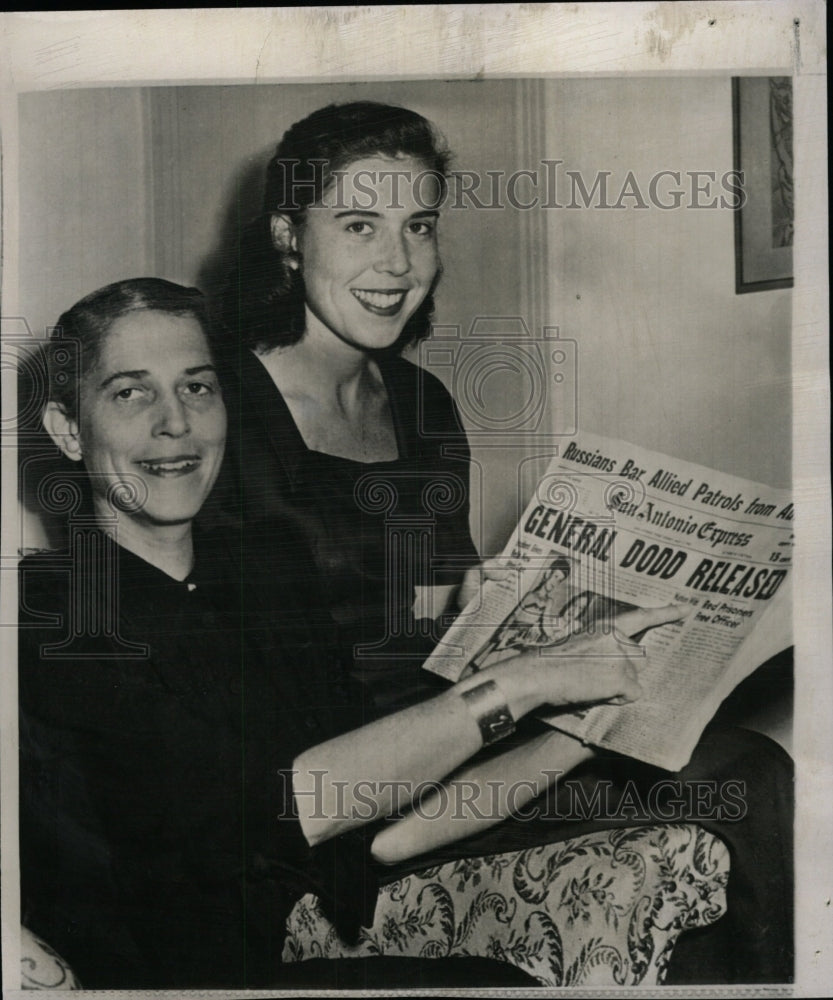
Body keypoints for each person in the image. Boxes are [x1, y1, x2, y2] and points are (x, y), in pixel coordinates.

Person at [19, 277, 679, 989]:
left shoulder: (265, 575)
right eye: (130, 393)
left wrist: (582, 726)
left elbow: (390, 830)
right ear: (66, 429)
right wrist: (520, 682)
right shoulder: (51, 617)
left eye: (199, 388)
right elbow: (272, 810)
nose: (176, 422)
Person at [211, 101, 482, 711]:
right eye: (360, 225)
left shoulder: (423, 403)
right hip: (302, 767)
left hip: (440, 728)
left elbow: (438, 607)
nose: (398, 263)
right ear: (288, 237)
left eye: (418, 226)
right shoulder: (216, 407)